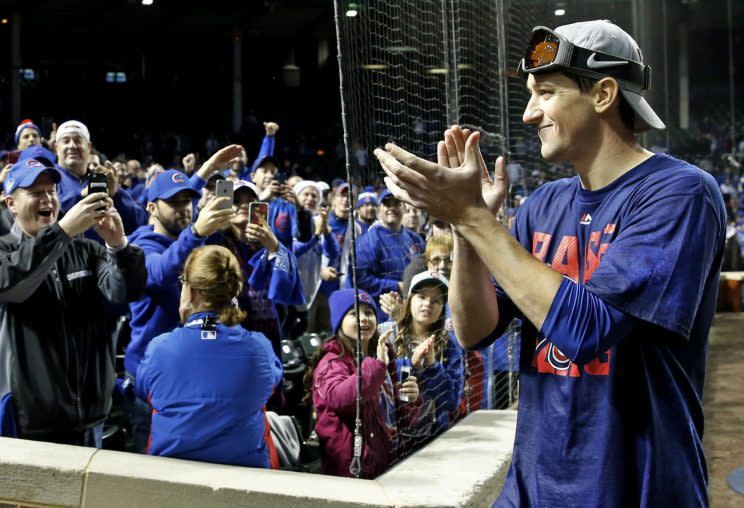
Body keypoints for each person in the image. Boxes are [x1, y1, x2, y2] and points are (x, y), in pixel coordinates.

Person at [375, 20, 726, 507]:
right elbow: (473, 330)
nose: (528, 113)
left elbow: (587, 330)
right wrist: (466, 230)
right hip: (536, 482)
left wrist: (475, 218)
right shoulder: (544, 204)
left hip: (638, 483)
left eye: (545, 92)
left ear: (603, 94)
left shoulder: (679, 193)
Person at [0, 158, 146, 446]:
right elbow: (12, 285)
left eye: (52, 191)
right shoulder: (4, 251)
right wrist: (63, 232)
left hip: (91, 417)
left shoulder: (86, 250)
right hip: (30, 424)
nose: (47, 199)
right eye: (35, 193)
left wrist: (119, 246)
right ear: (11, 203)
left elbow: (124, 294)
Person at [136, 245, 283, 467]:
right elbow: (271, 384)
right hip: (247, 480)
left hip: (170, 478)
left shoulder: (159, 348)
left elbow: (144, 389)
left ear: (191, 292)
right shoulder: (260, 348)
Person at [125, 169, 234, 451]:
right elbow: (161, 271)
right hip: (151, 377)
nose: (183, 208)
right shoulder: (140, 246)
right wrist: (197, 232)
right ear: (151, 208)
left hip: (192, 373)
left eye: (188, 201)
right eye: (174, 202)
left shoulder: (190, 242)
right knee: (147, 470)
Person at [303, 289, 421, 478]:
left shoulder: (383, 354)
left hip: (388, 461)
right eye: (353, 313)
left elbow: (403, 419)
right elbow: (340, 399)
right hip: (352, 468)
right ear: (339, 322)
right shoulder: (332, 362)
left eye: (369, 312)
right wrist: (376, 368)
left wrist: (411, 400)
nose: (363, 319)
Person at [392, 271, 463, 449]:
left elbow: (452, 401)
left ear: (442, 308)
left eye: (436, 300)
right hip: (392, 437)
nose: (428, 304)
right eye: (421, 296)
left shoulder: (450, 346)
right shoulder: (387, 336)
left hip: (433, 439)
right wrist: (412, 365)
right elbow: (377, 379)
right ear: (409, 301)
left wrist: (432, 367)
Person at [54, 120, 147, 234]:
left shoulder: (102, 179)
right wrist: (81, 196)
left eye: (78, 140)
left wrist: (116, 195)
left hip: (102, 251)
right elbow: (45, 217)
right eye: (66, 141)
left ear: (88, 147)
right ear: (56, 147)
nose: (72, 145)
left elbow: (139, 221)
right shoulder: (47, 177)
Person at [352, 189, 425, 318]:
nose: (392, 208)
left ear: (404, 207)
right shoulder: (368, 240)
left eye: (397, 203)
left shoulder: (415, 238)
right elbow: (361, 280)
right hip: (382, 311)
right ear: (379, 209)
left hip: (414, 307)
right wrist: (396, 286)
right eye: (387, 204)